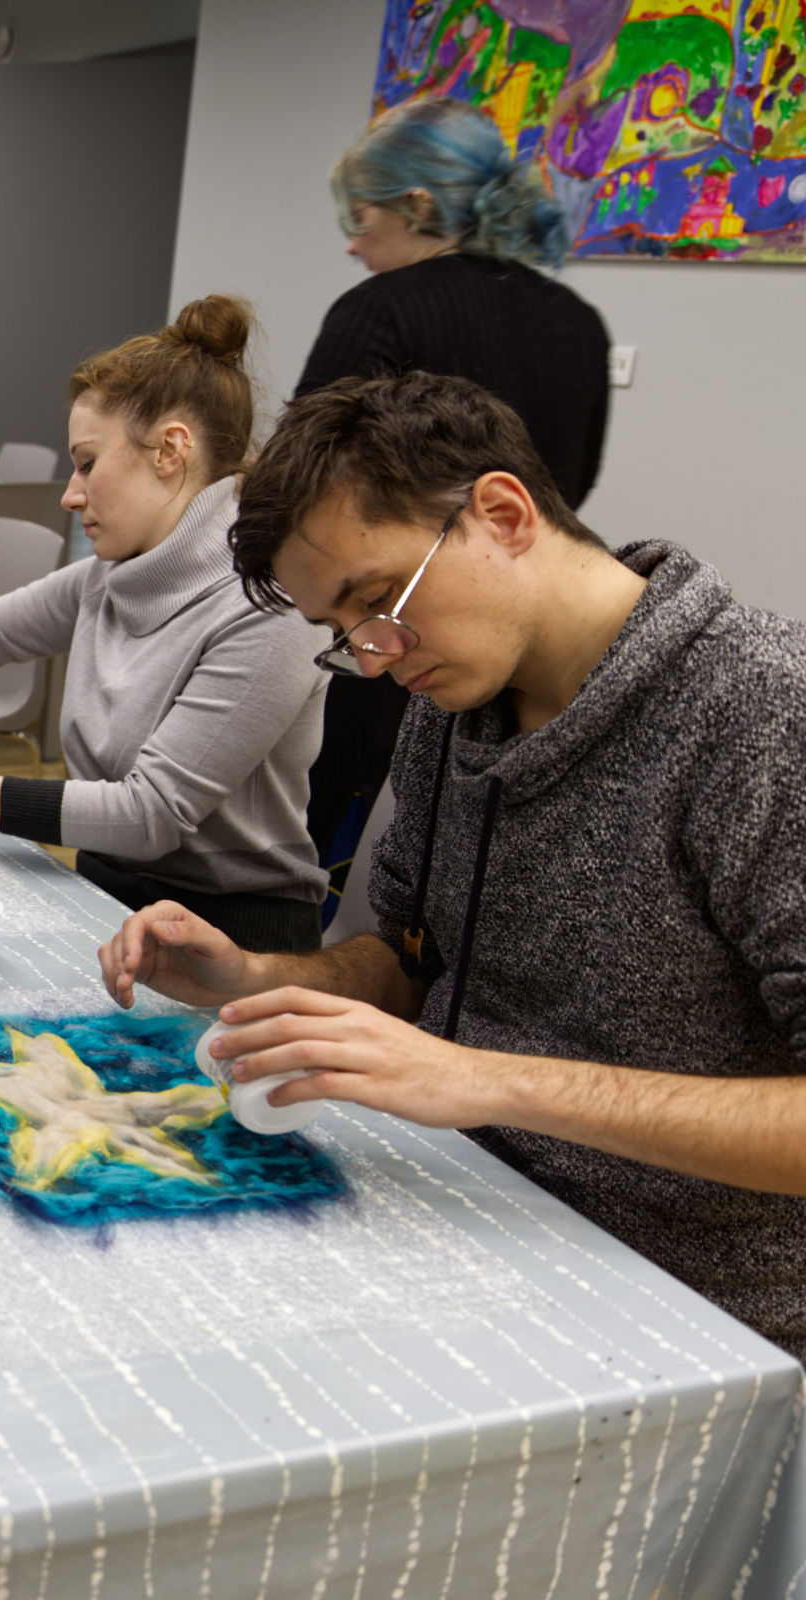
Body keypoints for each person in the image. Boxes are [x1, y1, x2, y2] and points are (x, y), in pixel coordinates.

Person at [101, 371, 806, 1357]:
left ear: (503, 515)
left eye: (375, 599)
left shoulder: (765, 716)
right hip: (463, 1209)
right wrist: (253, 976)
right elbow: (412, 960)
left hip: (688, 1316)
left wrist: (483, 1079)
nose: (374, 656)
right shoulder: (453, 704)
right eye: (342, 633)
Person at [0, 296, 331, 953]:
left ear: (171, 450)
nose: (70, 493)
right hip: (103, 895)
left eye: (87, 463)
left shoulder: (269, 608)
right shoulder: (112, 574)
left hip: (232, 938)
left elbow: (149, 816)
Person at [297, 96, 612, 871]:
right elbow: (573, 486)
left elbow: (308, 489)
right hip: (529, 655)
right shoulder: (578, 319)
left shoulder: (379, 311)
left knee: (355, 862)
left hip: (401, 655)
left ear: (418, 205)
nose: (352, 244)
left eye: (361, 219)